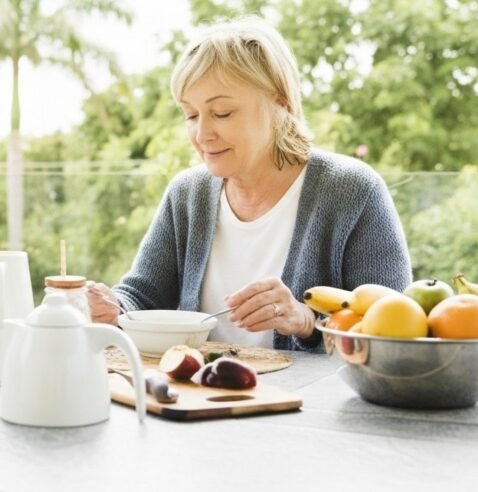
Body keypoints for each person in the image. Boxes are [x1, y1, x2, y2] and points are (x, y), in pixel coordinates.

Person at [87, 16, 411, 352]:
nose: (202, 134)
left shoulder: (352, 191)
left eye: (222, 113)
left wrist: (306, 322)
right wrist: (113, 307)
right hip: (198, 399)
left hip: (311, 404)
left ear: (280, 103)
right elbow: (141, 297)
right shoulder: (186, 195)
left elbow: (393, 332)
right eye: (191, 115)